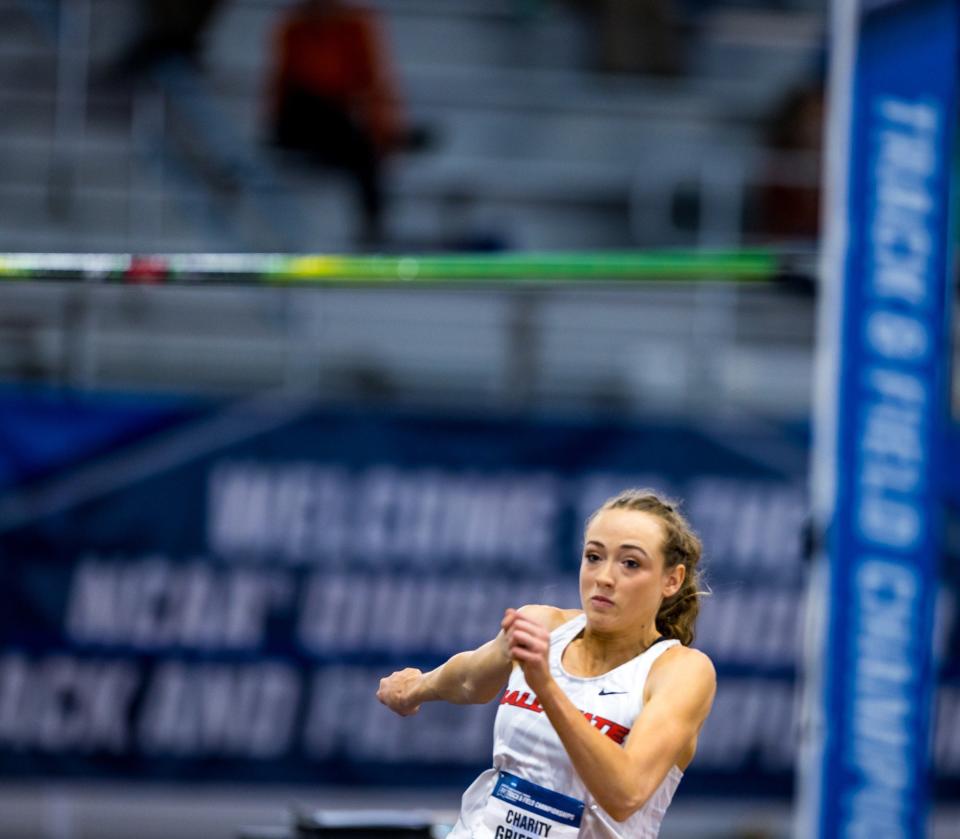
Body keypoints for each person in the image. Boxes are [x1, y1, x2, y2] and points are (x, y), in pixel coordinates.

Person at [377, 489, 716, 838]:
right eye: (594, 557)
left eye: (630, 563)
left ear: (671, 580)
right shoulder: (542, 627)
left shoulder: (680, 672)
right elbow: (470, 680)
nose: (604, 577)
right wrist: (416, 688)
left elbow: (625, 794)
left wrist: (547, 688)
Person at [266, 0, 407, 244]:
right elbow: (288, 80)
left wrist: (383, 128)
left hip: (336, 116)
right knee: (349, 136)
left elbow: (371, 81)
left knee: (364, 151)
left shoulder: (355, 25)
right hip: (305, 115)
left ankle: (372, 226)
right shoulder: (295, 27)